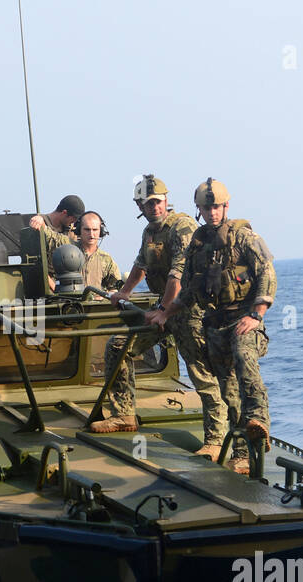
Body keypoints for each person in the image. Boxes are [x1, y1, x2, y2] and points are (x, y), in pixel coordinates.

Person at [90, 175, 226, 448]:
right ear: (139, 205)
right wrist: (125, 293)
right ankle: (123, 414)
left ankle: (216, 440)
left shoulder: (182, 227)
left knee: (201, 374)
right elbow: (141, 264)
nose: (154, 207)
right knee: (119, 347)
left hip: (188, 311)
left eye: (158, 202)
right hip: (163, 308)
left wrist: (164, 311)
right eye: (147, 203)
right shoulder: (150, 232)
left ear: (166, 200)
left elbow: (178, 274)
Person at [167, 178, 275, 470]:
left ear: (226, 206)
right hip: (215, 323)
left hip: (244, 320)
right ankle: (240, 453)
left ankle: (260, 421)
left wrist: (257, 314)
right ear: (199, 209)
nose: (212, 212)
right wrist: (166, 312)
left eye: (216, 207)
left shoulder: (244, 238)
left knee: (245, 360)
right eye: (206, 207)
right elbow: (189, 289)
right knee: (228, 392)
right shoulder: (198, 244)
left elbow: (266, 272)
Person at [29, 194, 86, 284]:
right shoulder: (41, 225)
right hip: (44, 284)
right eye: (74, 219)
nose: (74, 222)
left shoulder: (71, 231)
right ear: (64, 213)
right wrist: (53, 286)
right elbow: (34, 265)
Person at [75, 210, 123, 291]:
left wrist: (104, 297)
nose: (91, 234)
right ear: (79, 230)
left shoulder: (107, 260)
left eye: (95, 230)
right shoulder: (67, 253)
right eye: (87, 229)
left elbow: (116, 288)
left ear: (101, 231)